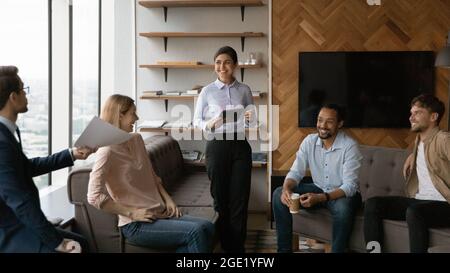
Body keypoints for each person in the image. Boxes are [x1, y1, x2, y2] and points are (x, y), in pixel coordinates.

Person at [88, 94, 215, 253]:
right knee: (195, 232)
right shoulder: (106, 152)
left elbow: (152, 176)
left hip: (159, 211)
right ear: (120, 115)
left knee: (208, 227)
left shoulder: (136, 139)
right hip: (136, 224)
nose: (137, 117)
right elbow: (94, 196)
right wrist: (132, 213)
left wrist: (168, 200)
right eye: (132, 113)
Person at [0, 66, 94, 253]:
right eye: (23, 90)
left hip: (19, 221)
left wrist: (71, 154)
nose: (27, 96)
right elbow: (19, 201)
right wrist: (57, 242)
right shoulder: (1, 141)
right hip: (10, 231)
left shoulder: (7, 133)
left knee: (82, 242)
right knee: (75, 248)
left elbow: (28, 168)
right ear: (13, 97)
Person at [364, 94, 450, 253]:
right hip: (420, 201)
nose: (411, 117)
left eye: (418, 113)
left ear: (433, 116)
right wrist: (413, 154)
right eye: (411, 113)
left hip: (444, 205)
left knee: (415, 212)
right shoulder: (420, 140)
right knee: (373, 204)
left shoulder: (444, 139)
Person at [273, 104, 363, 253]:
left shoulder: (349, 146)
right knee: (278, 195)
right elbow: (296, 172)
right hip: (319, 188)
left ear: (340, 124)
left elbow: (350, 186)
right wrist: (286, 189)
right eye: (320, 120)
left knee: (342, 208)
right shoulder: (309, 141)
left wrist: (321, 198)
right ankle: (284, 250)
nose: (322, 126)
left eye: (329, 121)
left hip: (342, 194)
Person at [193, 46, 255, 253]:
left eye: (227, 62)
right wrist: (212, 123)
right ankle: (221, 243)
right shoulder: (207, 91)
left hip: (240, 145)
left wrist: (250, 119)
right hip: (216, 145)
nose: (222, 66)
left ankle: (236, 249)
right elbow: (197, 121)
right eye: (218, 62)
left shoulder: (244, 90)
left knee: (239, 198)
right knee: (220, 198)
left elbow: (252, 120)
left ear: (235, 65)